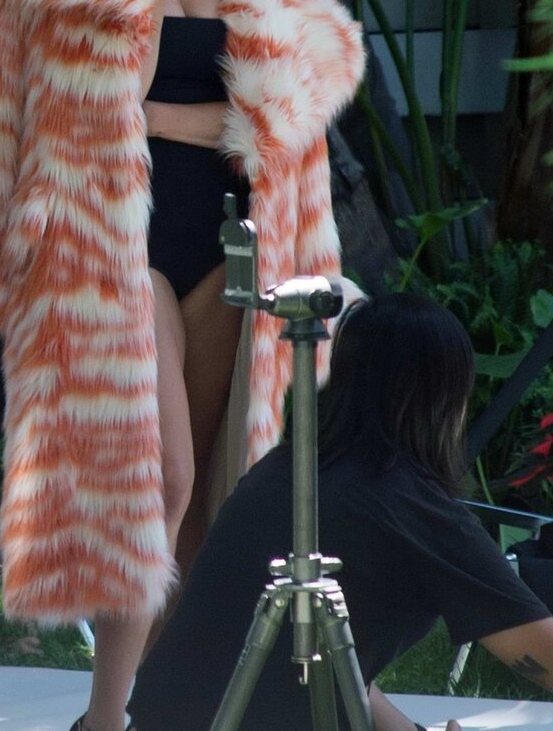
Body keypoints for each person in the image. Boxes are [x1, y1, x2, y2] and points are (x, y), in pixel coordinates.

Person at [0, 0, 364, 731]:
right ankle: (105, 713)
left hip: (234, 241)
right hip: (109, 246)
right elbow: (29, 115)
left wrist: (181, 121)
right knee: (156, 479)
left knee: (211, 494)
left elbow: (307, 92)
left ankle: (169, 709)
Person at [126, 292, 553, 731]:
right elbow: (544, 654)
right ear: (447, 401)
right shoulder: (410, 505)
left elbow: (329, 666)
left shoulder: (282, 471)